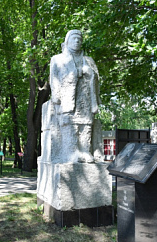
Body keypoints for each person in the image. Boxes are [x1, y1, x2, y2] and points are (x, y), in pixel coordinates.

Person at [49, 29, 102, 163]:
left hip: (86, 99)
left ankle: (84, 151)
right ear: (67, 41)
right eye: (74, 38)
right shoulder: (58, 59)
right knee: (70, 125)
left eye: (79, 39)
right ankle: (71, 152)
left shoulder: (88, 60)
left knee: (86, 126)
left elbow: (97, 78)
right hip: (68, 99)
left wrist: (90, 73)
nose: (77, 41)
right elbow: (54, 78)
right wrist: (56, 96)